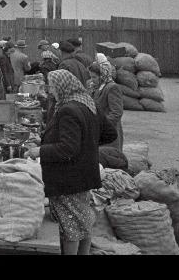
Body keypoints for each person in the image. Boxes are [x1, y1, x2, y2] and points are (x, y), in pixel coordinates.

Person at [25, 69, 117, 255]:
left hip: (68, 178)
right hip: (84, 174)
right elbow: (109, 133)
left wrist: (39, 150)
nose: (50, 91)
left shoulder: (68, 109)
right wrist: (86, 146)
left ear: (63, 86)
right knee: (82, 221)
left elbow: (67, 148)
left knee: (71, 227)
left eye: (52, 86)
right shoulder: (88, 103)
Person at [89, 55, 124, 151]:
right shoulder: (94, 87)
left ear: (102, 75)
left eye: (94, 77)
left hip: (109, 133)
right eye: (91, 77)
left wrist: (102, 125)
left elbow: (116, 112)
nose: (92, 80)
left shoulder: (112, 88)